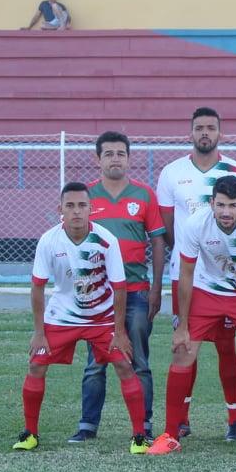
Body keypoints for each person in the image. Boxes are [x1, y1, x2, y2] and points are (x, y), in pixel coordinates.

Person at [147, 175, 236, 456]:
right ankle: (170, 434)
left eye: (232, 205)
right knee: (183, 352)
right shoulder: (196, 224)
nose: (226, 212)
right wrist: (182, 325)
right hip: (207, 291)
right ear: (211, 203)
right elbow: (185, 274)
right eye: (220, 205)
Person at [14, 182, 147, 454]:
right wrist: (39, 332)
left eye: (82, 205)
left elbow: (120, 288)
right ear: (60, 209)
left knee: (124, 365)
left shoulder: (106, 240)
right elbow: (37, 286)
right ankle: (30, 434)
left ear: (91, 209)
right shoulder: (48, 240)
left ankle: (139, 436)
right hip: (61, 317)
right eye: (70, 205)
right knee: (36, 365)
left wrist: (119, 331)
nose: (76, 211)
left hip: (101, 319)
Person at [156, 107, 236, 441]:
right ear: (190, 132)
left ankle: (235, 420)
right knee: (188, 345)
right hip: (186, 275)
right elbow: (169, 228)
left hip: (229, 279)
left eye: (210, 128)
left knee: (227, 348)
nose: (204, 133)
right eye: (198, 127)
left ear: (220, 133)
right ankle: (180, 421)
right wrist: (191, 254)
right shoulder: (172, 173)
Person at [68, 132, 166, 445]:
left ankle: (144, 425)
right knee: (95, 362)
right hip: (98, 297)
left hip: (137, 291)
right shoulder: (87, 197)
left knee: (138, 361)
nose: (114, 158)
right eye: (108, 153)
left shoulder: (144, 194)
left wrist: (156, 288)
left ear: (128, 158)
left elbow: (158, 242)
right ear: (97, 159)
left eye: (120, 153)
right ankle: (87, 426)